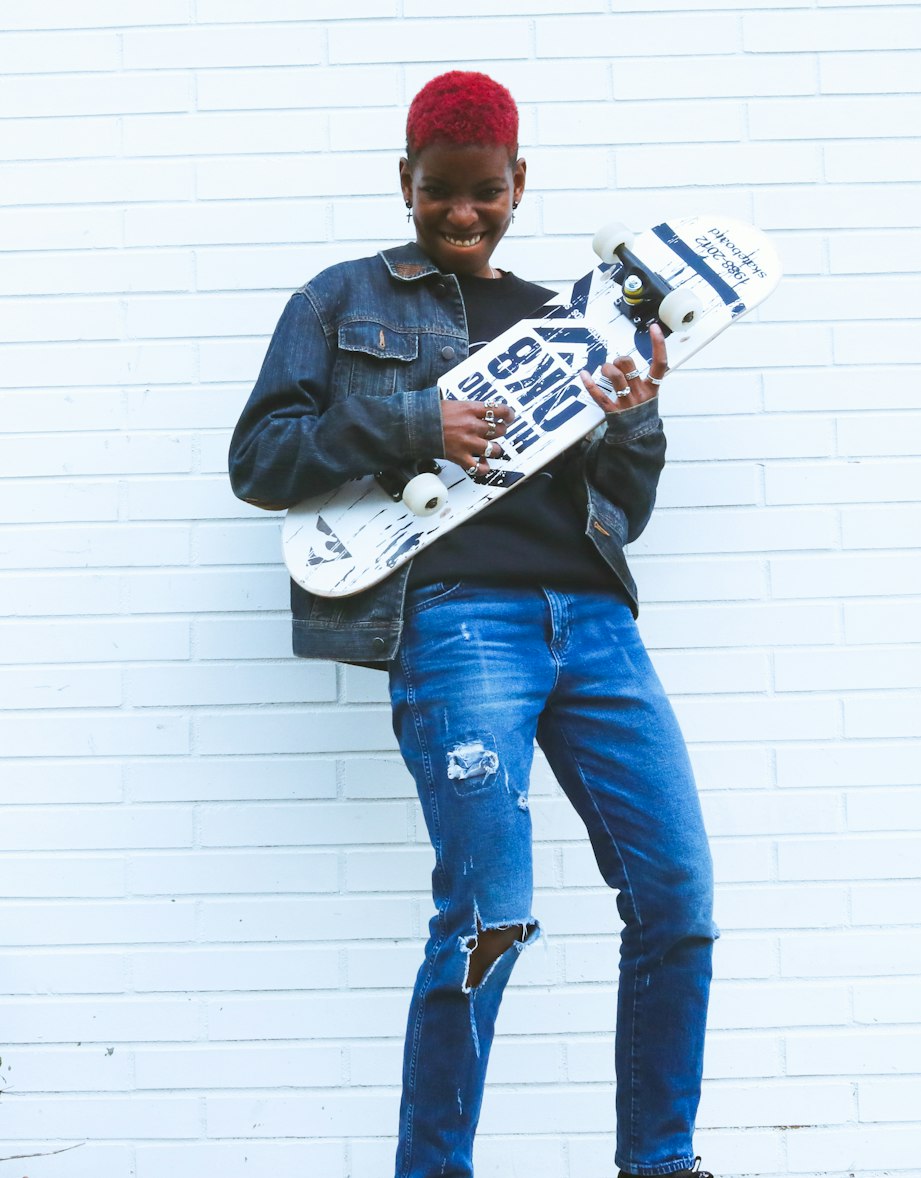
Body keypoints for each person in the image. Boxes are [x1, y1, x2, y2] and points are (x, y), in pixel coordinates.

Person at [229, 70, 717, 1178]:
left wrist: (635, 423)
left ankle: (660, 1159)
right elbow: (259, 459)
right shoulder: (337, 302)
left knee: (678, 901)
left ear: (518, 184)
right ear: (406, 182)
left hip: (593, 623)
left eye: (485, 192)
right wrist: (415, 421)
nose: (462, 213)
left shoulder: (565, 317)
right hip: (459, 625)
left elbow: (620, 514)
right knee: (488, 915)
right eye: (439, 191)